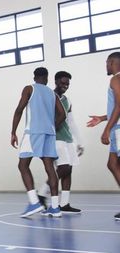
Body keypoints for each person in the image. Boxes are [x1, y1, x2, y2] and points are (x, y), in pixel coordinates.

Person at [11, 67, 66, 218]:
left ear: (34, 77)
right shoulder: (52, 93)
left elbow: (19, 110)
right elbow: (63, 114)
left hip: (33, 132)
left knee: (23, 165)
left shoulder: (29, 88)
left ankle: (34, 202)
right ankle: (55, 207)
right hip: (49, 133)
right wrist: (52, 125)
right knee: (49, 167)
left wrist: (13, 132)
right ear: (47, 78)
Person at [37, 71, 84, 214]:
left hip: (68, 139)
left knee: (69, 170)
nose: (65, 86)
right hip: (55, 138)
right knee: (63, 168)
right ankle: (42, 192)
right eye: (63, 83)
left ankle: (64, 204)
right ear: (56, 81)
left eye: (67, 84)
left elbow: (71, 122)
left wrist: (80, 142)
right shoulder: (49, 96)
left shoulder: (67, 100)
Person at [87, 52, 120, 221]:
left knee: (114, 164)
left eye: (107, 63)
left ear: (112, 62)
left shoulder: (115, 79)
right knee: (112, 164)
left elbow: (119, 106)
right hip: (116, 126)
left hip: (118, 129)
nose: (106, 66)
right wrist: (102, 118)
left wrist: (107, 129)